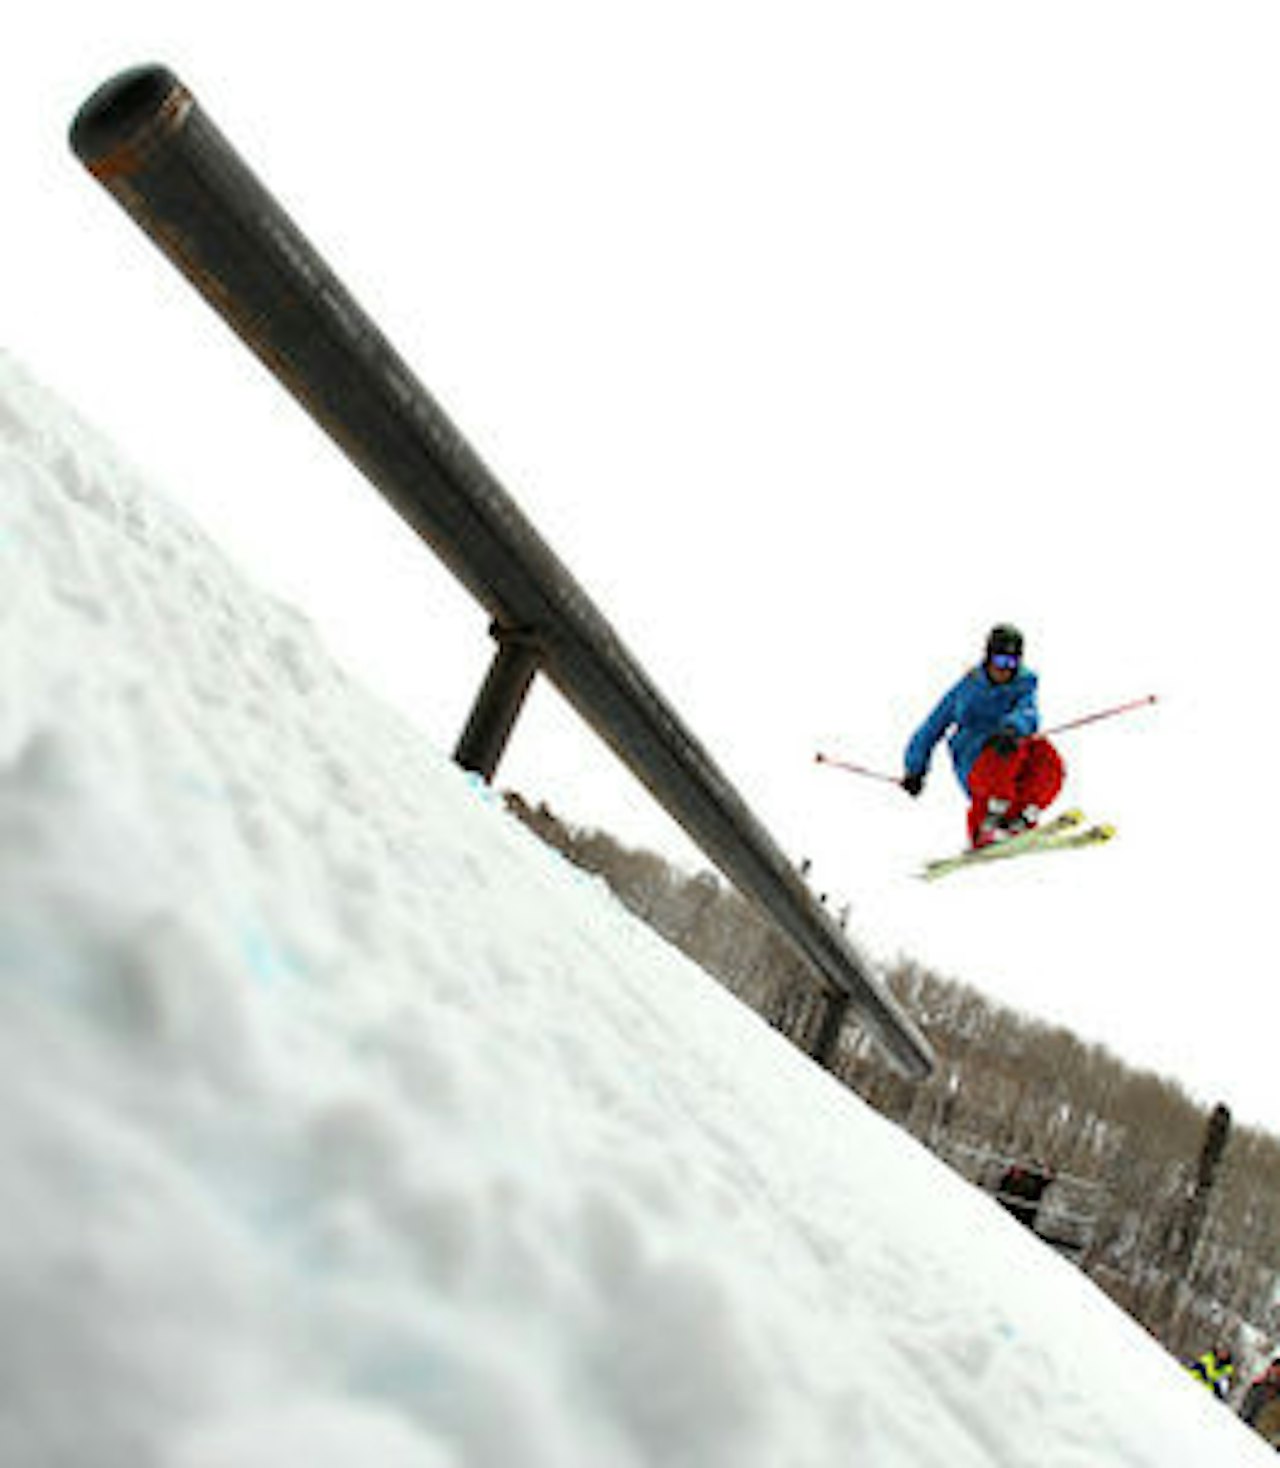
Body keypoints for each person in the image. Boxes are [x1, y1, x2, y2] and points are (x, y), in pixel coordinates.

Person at [901, 624, 1066, 848]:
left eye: (1012, 664)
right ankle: (987, 825)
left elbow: (1028, 712)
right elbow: (932, 726)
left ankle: (1022, 818)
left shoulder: (1023, 686)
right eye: (1000, 662)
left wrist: (1012, 728)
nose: (1005, 670)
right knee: (999, 758)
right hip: (975, 757)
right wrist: (915, 769)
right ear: (987, 658)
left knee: (1045, 757)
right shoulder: (967, 689)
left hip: (1011, 744)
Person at [996, 1159, 1055, 1231]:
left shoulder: (1034, 1179)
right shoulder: (1010, 1177)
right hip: (1006, 1210)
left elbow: (1048, 1178)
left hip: (1024, 1214)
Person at [1240, 1358, 1280, 1445]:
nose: (1275, 1374)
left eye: (1278, 1373)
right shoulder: (1258, 1385)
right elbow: (1246, 1407)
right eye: (1275, 1370)